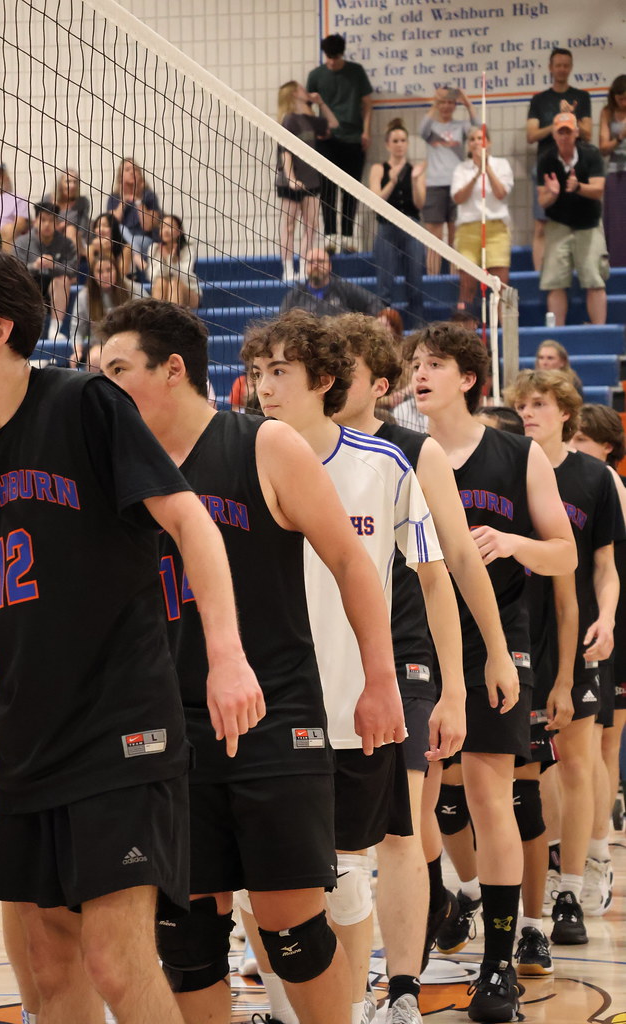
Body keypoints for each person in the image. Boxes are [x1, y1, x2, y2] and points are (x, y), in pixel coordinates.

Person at [0, 246, 264, 1024]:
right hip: (28, 737)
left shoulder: (84, 402)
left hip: (119, 727)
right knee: (48, 972)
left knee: (118, 961)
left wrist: (225, 655)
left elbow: (190, 520)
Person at [99, 298, 407, 1024]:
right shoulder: (115, 468)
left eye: (116, 370)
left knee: (291, 931)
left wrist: (379, 681)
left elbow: (351, 563)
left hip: (275, 716)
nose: (102, 389)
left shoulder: (263, 445)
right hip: (167, 727)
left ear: (172, 371)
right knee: (186, 937)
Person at [242, 309, 462, 1024]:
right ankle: (285, 1010)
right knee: (256, 883)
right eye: (256, 372)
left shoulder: (385, 465)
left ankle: (372, 997)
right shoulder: (234, 457)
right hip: (259, 708)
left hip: (349, 706)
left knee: (342, 877)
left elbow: (433, 576)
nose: (265, 387)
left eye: (280, 371)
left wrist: (450, 685)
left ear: (323, 380)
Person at [333, 313, 524, 1024]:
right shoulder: (285, 445)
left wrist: (493, 654)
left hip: (404, 657)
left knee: (406, 824)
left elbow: (458, 562)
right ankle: (335, 988)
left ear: (375, 384)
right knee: (334, 836)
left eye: (337, 366)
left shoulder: (413, 453)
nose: (321, 378)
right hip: (318, 659)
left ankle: (404, 987)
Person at [404, 322, 576, 1022]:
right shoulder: (400, 450)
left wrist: (511, 541)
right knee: (419, 796)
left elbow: (563, 554)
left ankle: (498, 962)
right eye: (413, 363)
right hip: (415, 636)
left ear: (468, 378)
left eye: (435, 364)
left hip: (498, 640)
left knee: (486, 787)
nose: (419, 373)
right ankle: (448, 896)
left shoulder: (516, 455)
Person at [506, 370, 622, 951]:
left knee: (576, 758)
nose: (529, 412)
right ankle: (511, 891)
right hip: (515, 631)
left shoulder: (593, 477)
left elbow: (603, 563)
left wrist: (607, 615)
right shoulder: (507, 467)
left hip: (572, 631)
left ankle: (571, 888)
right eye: (521, 404)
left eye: (540, 404)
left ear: (566, 413)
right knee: (523, 770)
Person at [571, 403, 626, 916]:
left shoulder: (605, 481)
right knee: (587, 748)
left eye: (586, 438)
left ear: (607, 444)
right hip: (575, 618)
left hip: (611, 620)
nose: (578, 444)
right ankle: (583, 852)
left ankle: (598, 856)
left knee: (604, 746)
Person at [537, 112, 608, 326]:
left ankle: (599, 331)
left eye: (569, 131)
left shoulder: (592, 154)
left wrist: (578, 187)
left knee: (594, 280)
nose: (565, 136)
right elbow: (542, 201)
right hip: (558, 225)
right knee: (555, 281)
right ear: (554, 134)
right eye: (561, 131)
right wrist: (553, 193)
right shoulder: (546, 159)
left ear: (577, 133)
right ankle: (556, 332)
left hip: (589, 223)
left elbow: (598, 190)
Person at [306, 34, 373, 252]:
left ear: (342, 54)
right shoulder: (316, 75)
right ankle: (331, 235)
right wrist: (317, 129)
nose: (332, 62)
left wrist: (366, 132)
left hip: (353, 137)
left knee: (351, 189)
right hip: (327, 139)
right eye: (328, 57)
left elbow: (367, 104)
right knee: (327, 189)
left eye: (335, 57)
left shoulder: (356, 72)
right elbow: (308, 107)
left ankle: (347, 234)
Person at [527, 48, 593, 271]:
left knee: (574, 222)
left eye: (566, 65)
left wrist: (571, 117)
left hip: (575, 166)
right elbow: (531, 135)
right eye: (558, 65)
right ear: (550, 67)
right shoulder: (539, 100)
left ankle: (575, 272)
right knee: (541, 224)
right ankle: (539, 276)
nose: (562, 69)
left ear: (571, 68)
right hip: (546, 167)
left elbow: (588, 133)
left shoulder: (582, 97)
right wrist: (557, 122)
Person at [276, 81, 338, 284]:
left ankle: (304, 267)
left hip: (311, 180)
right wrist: (291, 178)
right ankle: (287, 269)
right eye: (302, 89)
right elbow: (285, 152)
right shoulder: (289, 120)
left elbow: (333, 125)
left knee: (311, 225)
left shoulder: (309, 120)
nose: (306, 91)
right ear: (294, 94)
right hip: (290, 182)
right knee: (289, 226)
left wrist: (321, 103)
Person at [369, 118, 426, 327]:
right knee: (384, 284)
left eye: (403, 140)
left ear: (407, 144)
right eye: (395, 141)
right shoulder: (379, 168)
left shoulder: (415, 170)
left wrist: (413, 180)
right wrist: (392, 180)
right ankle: (383, 329)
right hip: (387, 226)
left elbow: (419, 204)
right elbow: (375, 201)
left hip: (411, 226)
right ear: (387, 144)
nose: (400, 144)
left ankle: (418, 328)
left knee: (415, 283)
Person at [451, 127, 514, 310]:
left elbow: (502, 193)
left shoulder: (501, 165)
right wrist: (477, 174)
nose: (477, 142)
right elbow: (458, 198)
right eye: (472, 139)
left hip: (496, 228)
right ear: (468, 146)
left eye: (480, 138)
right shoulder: (461, 169)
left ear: (489, 142)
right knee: (467, 285)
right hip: (468, 230)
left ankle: (504, 329)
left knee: (500, 286)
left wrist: (487, 169)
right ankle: (464, 328)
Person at [419, 88, 478, 275]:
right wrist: (434, 103)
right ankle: (432, 281)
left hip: (457, 186)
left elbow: (478, 128)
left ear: (455, 105)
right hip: (435, 186)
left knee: (456, 237)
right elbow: (421, 130)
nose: (446, 106)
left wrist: (467, 103)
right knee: (434, 239)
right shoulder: (431, 128)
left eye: (450, 102)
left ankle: (454, 279)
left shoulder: (461, 127)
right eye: (442, 102)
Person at [13, 202, 79, 340]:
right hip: (30, 287)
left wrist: (53, 265)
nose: (47, 224)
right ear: (35, 221)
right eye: (43, 220)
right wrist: (35, 266)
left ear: (57, 222)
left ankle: (55, 331)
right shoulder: (22, 242)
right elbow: (15, 271)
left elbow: (73, 271)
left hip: (55, 290)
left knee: (63, 279)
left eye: (51, 220)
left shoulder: (66, 243)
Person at [280, 247, 383, 317]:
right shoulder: (295, 295)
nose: (315, 265)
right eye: (311, 262)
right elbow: (281, 322)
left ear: (329, 266)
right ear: (306, 267)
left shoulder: (344, 288)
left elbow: (374, 303)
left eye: (320, 261)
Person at [71, 255, 132, 365]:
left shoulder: (132, 289)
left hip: (129, 343)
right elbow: (77, 330)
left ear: (116, 271)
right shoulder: (84, 296)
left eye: (109, 270)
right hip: (100, 344)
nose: (105, 275)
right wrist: (77, 351)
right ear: (93, 275)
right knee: (95, 358)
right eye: (100, 271)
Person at [106, 157, 161, 274]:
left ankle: (133, 258)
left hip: (145, 241)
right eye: (127, 170)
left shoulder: (149, 196)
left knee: (128, 245)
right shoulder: (114, 197)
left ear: (140, 174)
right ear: (120, 176)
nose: (132, 172)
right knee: (121, 229)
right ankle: (137, 260)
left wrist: (138, 200)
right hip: (120, 242)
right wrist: (123, 201)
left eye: (135, 169)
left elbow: (147, 226)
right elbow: (112, 225)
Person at [599, 74, 626, 268]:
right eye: (620, 99)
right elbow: (603, 147)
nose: (624, 103)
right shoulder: (607, 113)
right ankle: (618, 266)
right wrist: (620, 137)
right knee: (616, 224)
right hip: (616, 171)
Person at [147, 213, 202, 308]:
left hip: (188, 291)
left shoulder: (188, 249)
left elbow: (184, 276)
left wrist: (171, 260)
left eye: (170, 227)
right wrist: (164, 260)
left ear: (179, 231)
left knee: (174, 283)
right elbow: (152, 276)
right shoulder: (154, 248)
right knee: (160, 282)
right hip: (163, 289)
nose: (166, 231)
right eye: (163, 227)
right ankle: (158, 322)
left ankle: (174, 321)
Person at [41, 167, 90, 259]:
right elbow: (41, 225)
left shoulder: (83, 202)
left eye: (75, 182)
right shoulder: (47, 199)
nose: (72, 186)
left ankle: (71, 268)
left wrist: (67, 227)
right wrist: (59, 227)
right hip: (50, 237)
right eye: (68, 182)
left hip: (75, 240)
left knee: (70, 229)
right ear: (60, 184)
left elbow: (83, 231)